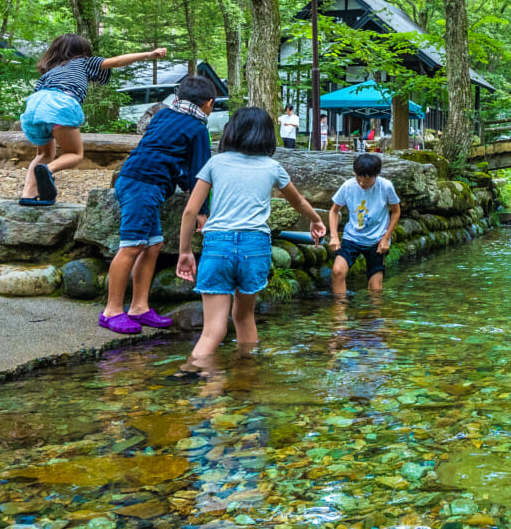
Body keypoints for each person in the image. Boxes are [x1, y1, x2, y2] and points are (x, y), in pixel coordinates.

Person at [175, 107, 326, 369]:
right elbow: (298, 201)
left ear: (231, 131)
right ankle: (246, 380)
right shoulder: (272, 167)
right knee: (244, 317)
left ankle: (197, 382)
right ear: (268, 136)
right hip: (254, 247)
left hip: (218, 245)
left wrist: (185, 251)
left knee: (213, 330)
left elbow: (190, 211)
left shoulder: (216, 163)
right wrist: (316, 220)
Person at [97, 74, 216, 335]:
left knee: (152, 245)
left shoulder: (162, 115)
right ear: (208, 103)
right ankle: (111, 311)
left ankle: (139, 307)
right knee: (132, 246)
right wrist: (202, 212)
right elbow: (200, 172)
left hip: (135, 180)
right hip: (143, 186)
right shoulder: (197, 128)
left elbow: (175, 161)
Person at [18, 34, 167, 204]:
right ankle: (48, 169)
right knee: (74, 154)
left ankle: (28, 195)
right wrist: (149, 54)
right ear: (83, 52)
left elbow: (41, 96)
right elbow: (117, 61)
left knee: (44, 154)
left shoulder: (50, 72)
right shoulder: (84, 62)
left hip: (34, 106)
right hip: (61, 104)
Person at [328, 152, 401, 296]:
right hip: (352, 237)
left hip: (376, 240)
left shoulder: (386, 187)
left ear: (376, 175)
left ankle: (372, 316)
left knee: (376, 289)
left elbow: (396, 211)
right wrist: (334, 236)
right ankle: (339, 314)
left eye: (367, 181)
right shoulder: (348, 186)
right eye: (358, 178)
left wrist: (386, 238)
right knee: (337, 271)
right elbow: (334, 211)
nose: (362, 183)